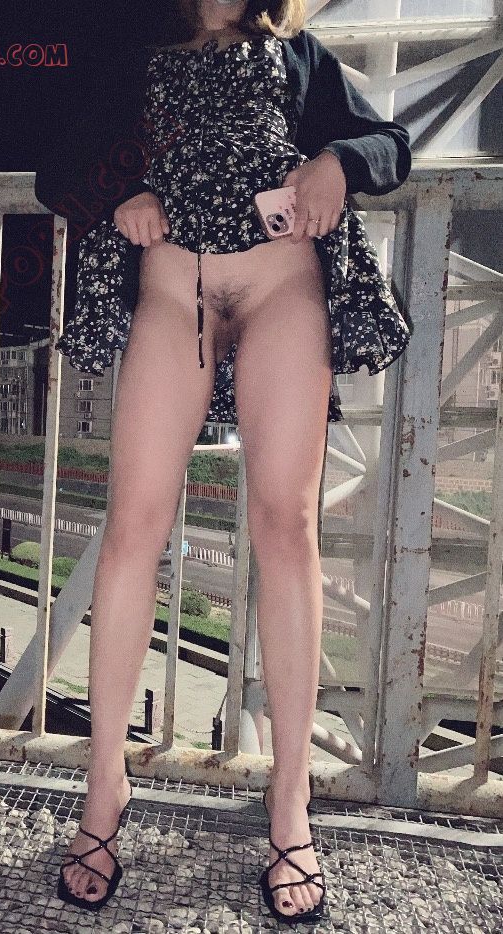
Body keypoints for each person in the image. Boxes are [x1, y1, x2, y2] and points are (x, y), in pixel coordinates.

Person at [38, 0, 413, 921]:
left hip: (284, 285)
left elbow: (390, 142)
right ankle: (105, 785)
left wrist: (337, 162)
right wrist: (119, 195)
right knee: (133, 528)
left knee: (286, 525)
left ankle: (290, 802)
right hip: (175, 289)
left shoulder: (297, 52)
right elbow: (57, 166)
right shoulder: (131, 50)